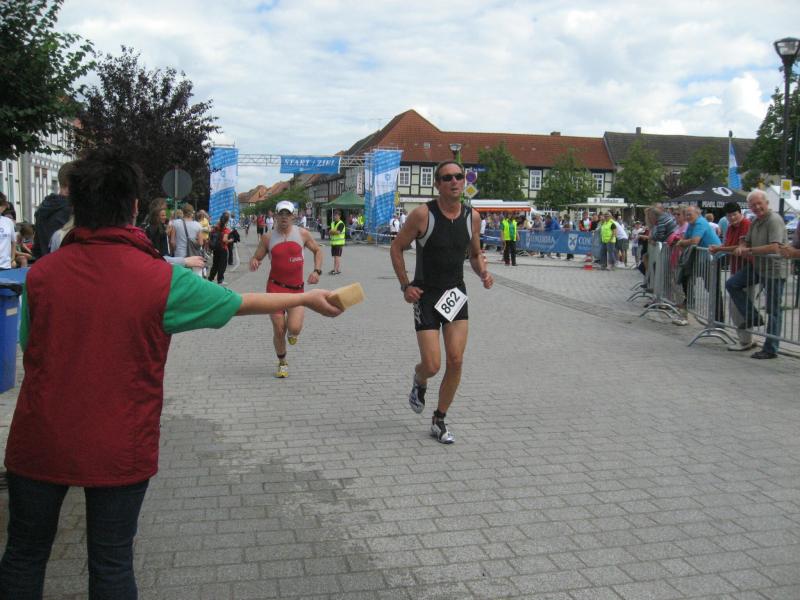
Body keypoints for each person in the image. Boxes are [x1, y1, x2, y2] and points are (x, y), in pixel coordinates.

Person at [0, 148, 342, 599]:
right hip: (120, 440)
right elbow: (238, 303)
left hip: (40, 436)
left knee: (24, 555)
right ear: (134, 208)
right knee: (111, 562)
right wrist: (304, 299)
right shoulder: (160, 279)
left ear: (74, 204)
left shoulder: (42, 274)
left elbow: (30, 347)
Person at [389, 161, 493, 444]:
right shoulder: (423, 215)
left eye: (459, 176)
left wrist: (483, 272)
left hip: (455, 294)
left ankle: (439, 418)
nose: (454, 181)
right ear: (437, 184)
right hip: (426, 295)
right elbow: (396, 248)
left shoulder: (472, 217)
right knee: (432, 365)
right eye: (447, 178)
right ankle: (419, 379)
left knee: (456, 360)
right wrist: (405, 285)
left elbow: (474, 254)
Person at [250, 200, 324, 378]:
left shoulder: (302, 234)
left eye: (287, 214)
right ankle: (282, 362)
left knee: (294, 328)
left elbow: (318, 250)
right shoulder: (268, 238)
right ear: (275, 216)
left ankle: (293, 332)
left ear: (293, 216)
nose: (284, 217)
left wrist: (317, 271)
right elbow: (257, 256)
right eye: (281, 214)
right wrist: (254, 261)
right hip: (275, 288)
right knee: (279, 329)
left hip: (296, 290)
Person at [727, 190, 788, 359]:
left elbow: (774, 247)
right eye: (753, 205)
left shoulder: (774, 220)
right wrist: (742, 245)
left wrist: (749, 250)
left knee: (773, 310)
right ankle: (753, 316)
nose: (756, 207)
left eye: (759, 203)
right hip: (758, 266)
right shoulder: (755, 221)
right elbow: (746, 239)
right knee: (732, 284)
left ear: (767, 203)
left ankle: (771, 348)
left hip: (774, 269)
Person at [710, 202, 754, 350]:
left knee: (739, 308)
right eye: (729, 216)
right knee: (735, 308)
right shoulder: (730, 227)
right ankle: (745, 339)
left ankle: (746, 341)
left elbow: (740, 247)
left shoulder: (746, 224)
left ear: (740, 213)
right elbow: (729, 246)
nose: (732, 218)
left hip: (745, 271)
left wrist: (719, 249)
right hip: (736, 270)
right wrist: (720, 248)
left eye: (734, 214)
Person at [32, 162, 74, 259]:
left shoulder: (43, 209)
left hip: (45, 263)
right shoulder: (72, 210)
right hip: (66, 264)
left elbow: (37, 248)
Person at [208, 212, 232, 285]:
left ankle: (210, 278)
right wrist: (230, 240)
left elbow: (211, 233)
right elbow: (224, 240)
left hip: (216, 248)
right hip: (223, 249)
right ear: (227, 220)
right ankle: (220, 280)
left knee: (215, 264)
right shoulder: (226, 229)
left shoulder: (216, 226)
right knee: (222, 265)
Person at [0, 195, 16, 270]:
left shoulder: (8, 222)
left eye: (1, 205)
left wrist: (12, 258)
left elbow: (13, 242)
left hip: (5, 265)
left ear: (4, 207)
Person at [329, 210, 345, 275]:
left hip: (339, 243)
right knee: (335, 257)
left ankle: (335, 270)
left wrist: (332, 231)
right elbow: (329, 231)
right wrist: (332, 231)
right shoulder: (333, 223)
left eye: (336, 215)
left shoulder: (341, 223)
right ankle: (336, 269)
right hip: (333, 243)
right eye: (334, 215)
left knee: (337, 257)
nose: (335, 217)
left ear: (339, 216)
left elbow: (338, 232)